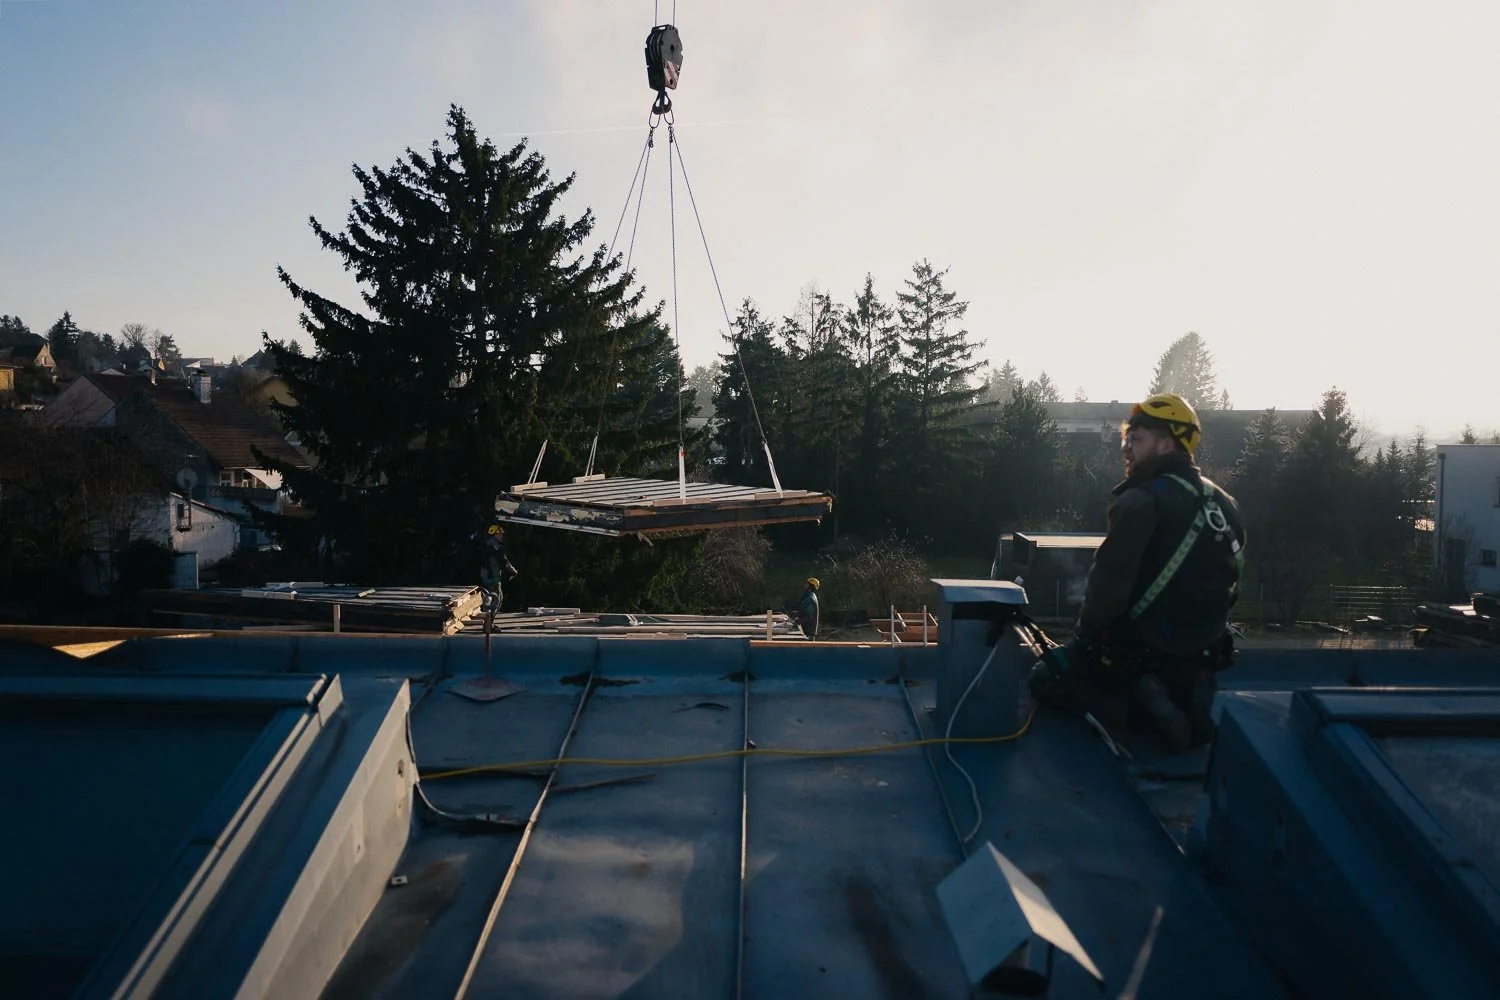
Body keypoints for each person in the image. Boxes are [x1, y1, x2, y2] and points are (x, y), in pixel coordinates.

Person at [1028, 393, 1246, 751]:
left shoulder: (1141, 500)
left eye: (1137, 439)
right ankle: (1186, 698)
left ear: (1165, 443)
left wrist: (1085, 640)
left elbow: (1109, 584)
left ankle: (1137, 701)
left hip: (1145, 645)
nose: (1127, 448)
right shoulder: (1224, 503)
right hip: (1203, 643)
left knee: (1045, 677)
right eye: (1127, 438)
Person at [479, 523, 519, 616]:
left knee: (490, 597)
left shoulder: (486, 545)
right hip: (493, 577)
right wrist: (513, 571)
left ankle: (488, 617)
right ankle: (489, 619)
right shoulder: (497, 548)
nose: (502, 536)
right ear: (495, 535)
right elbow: (504, 562)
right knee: (496, 598)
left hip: (486, 576)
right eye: (500, 534)